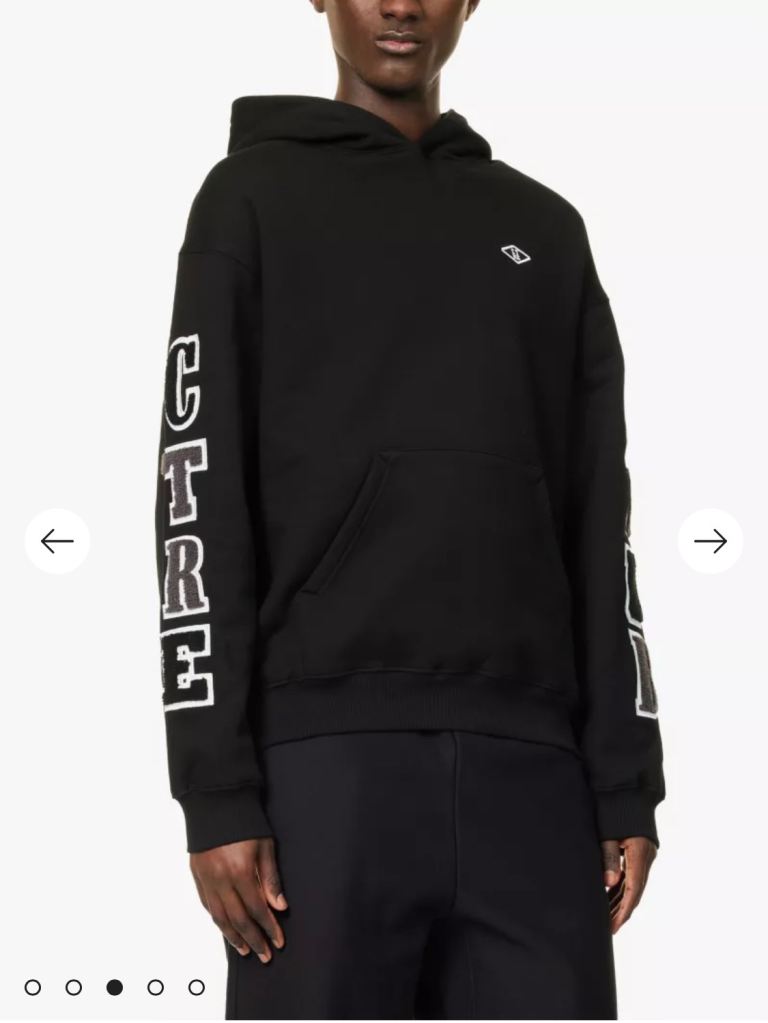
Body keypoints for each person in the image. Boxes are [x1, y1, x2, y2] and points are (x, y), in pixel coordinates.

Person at [154, 0, 665, 1017]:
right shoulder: (250, 199)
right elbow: (196, 491)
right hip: (322, 771)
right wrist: (215, 790)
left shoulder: (544, 229)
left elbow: (599, 516)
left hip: (534, 771)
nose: (401, 6)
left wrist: (625, 775)